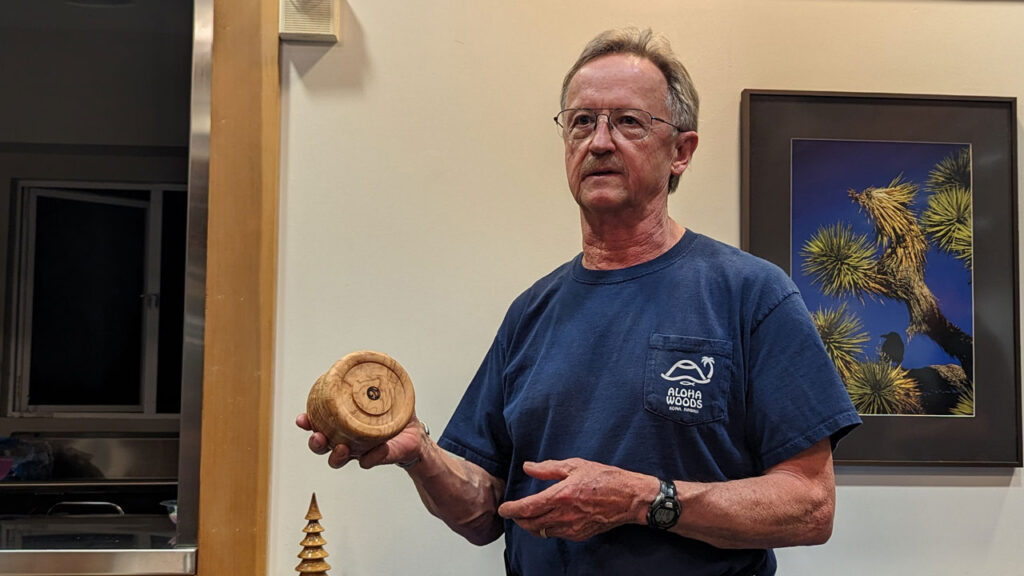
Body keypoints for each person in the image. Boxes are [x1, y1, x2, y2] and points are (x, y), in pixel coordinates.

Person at [297, 27, 861, 576]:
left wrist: (646, 499)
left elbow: (810, 505)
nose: (599, 140)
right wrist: (420, 453)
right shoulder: (531, 313)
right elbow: (482, 512)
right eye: (582, 121)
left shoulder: (751, 295)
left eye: (628, 122)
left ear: (681, 151)